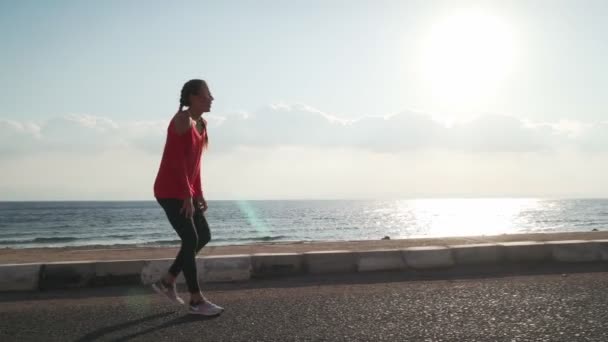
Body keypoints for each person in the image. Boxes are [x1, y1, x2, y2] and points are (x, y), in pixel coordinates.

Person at [152, 79, 223, 316]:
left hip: (185, 191)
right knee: (191, 238)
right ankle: (196, 300)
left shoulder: (202, 123)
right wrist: (185, 193)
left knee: (204, 235)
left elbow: (195, 164)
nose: (211, 98)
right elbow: (176, 161)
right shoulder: (181, 120)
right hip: (169, 190)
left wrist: (198, 192)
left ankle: (168, 280)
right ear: (193, 96)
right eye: (207, 94)